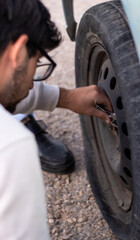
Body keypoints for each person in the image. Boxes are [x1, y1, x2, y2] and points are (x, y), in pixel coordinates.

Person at [0, 0, 112, 239]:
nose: (33, 82)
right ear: (19, 52)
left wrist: (67, 97)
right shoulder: (10, 147)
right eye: (37, 63)